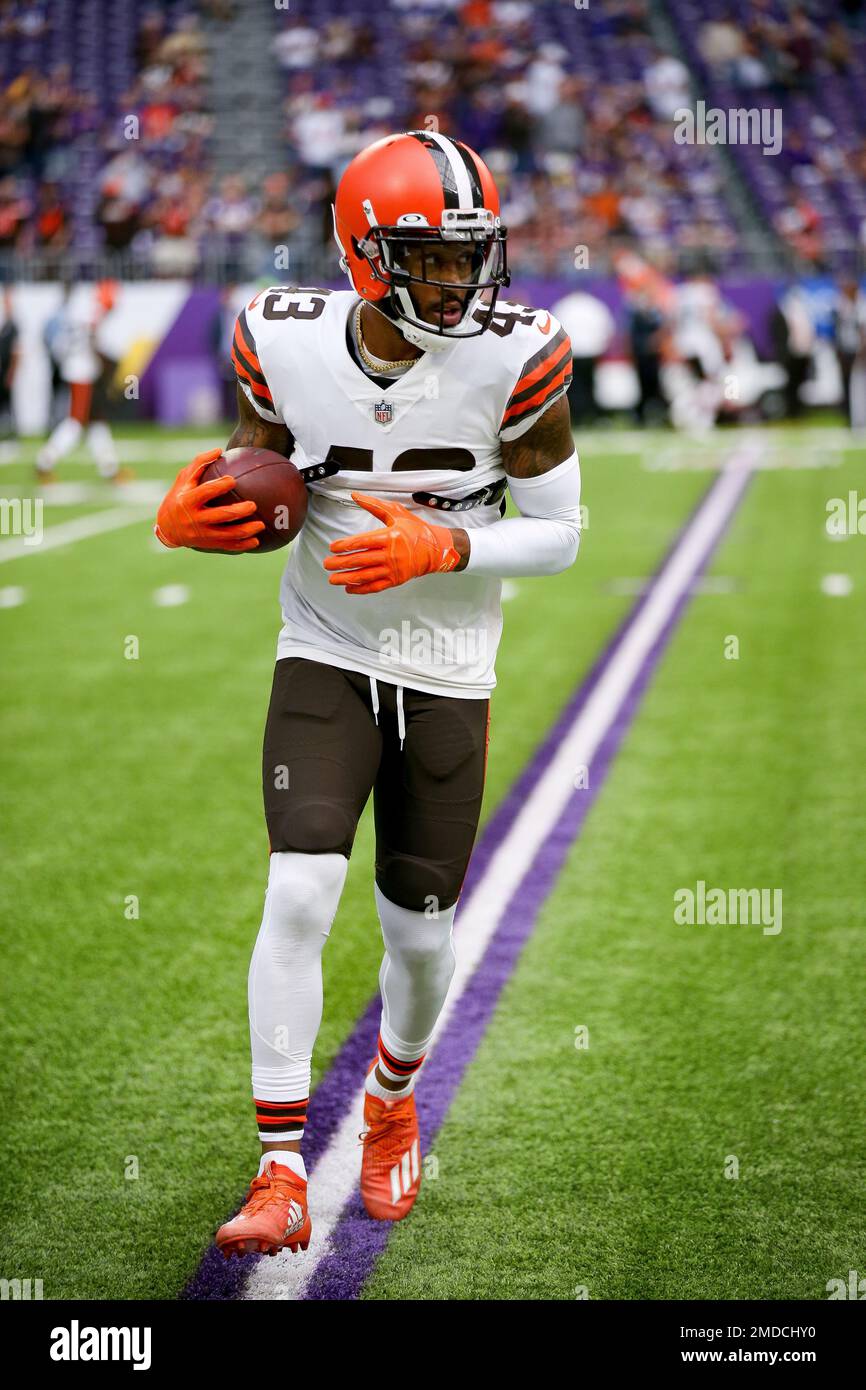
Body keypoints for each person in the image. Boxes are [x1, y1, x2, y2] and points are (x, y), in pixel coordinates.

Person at [154, 131, 582, 1257]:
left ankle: (391, 1099)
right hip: (327, 646)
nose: (460, 281)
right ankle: (280, 1166)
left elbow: (561, 537)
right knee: (297, 890)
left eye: (469, 256)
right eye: (429, 258)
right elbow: (257, 473)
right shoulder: (281, 343)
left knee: (420, 936)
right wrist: (185, 516)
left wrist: (442, 549)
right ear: (360, 256)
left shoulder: (520, 355)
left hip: (447, 669)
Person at [36, 281, 129, 482]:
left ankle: (109, 468)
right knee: (76, 421)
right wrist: (107, 366)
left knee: (97, 420)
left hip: (81, 369)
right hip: (83, 372)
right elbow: (93, 342)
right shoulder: (93, 313)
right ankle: (45, 460)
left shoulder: (84, 309)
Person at [0, 285, 19, 461]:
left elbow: (15, 352)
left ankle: (12, 436)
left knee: (9, 406)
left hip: (6, 373)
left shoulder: (13, 326)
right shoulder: (5, 326)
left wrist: (11, 372)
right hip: (2, 371)